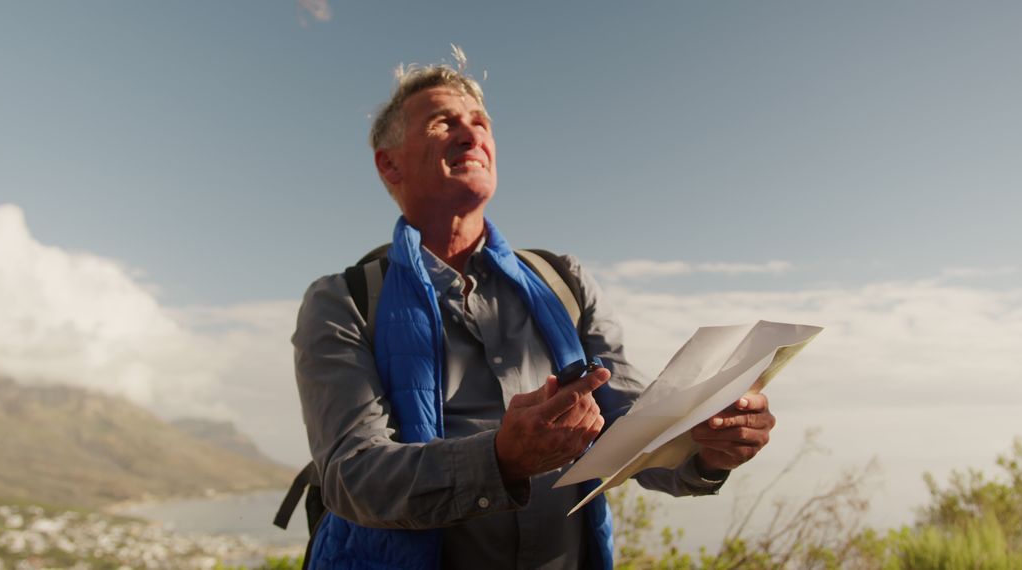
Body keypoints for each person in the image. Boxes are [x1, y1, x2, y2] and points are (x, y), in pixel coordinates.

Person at [292, 51, 775, 570]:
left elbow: (629, 428)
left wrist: (706, 451)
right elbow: (352, 475)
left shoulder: (562, 280)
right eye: (443, 122)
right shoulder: (343, 301)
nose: (470, 134)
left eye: (480, 124)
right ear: (390, 163)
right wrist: (499, 460)